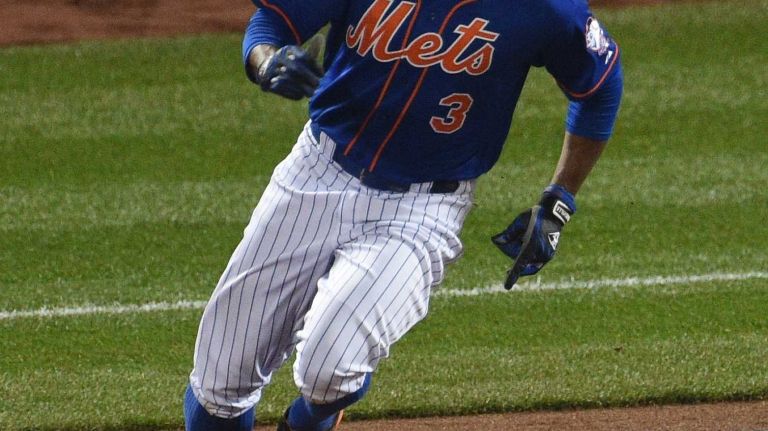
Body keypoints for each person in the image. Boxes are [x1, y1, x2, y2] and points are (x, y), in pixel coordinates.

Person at [183, 0, 623, 429]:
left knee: (330, 369)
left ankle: (312, 420)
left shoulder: (546, 8)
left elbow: (599, 87)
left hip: (423, 209)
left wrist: (558, 203)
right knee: (219, 390)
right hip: (315, 175)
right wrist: (266, 62)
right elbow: (274, 21)